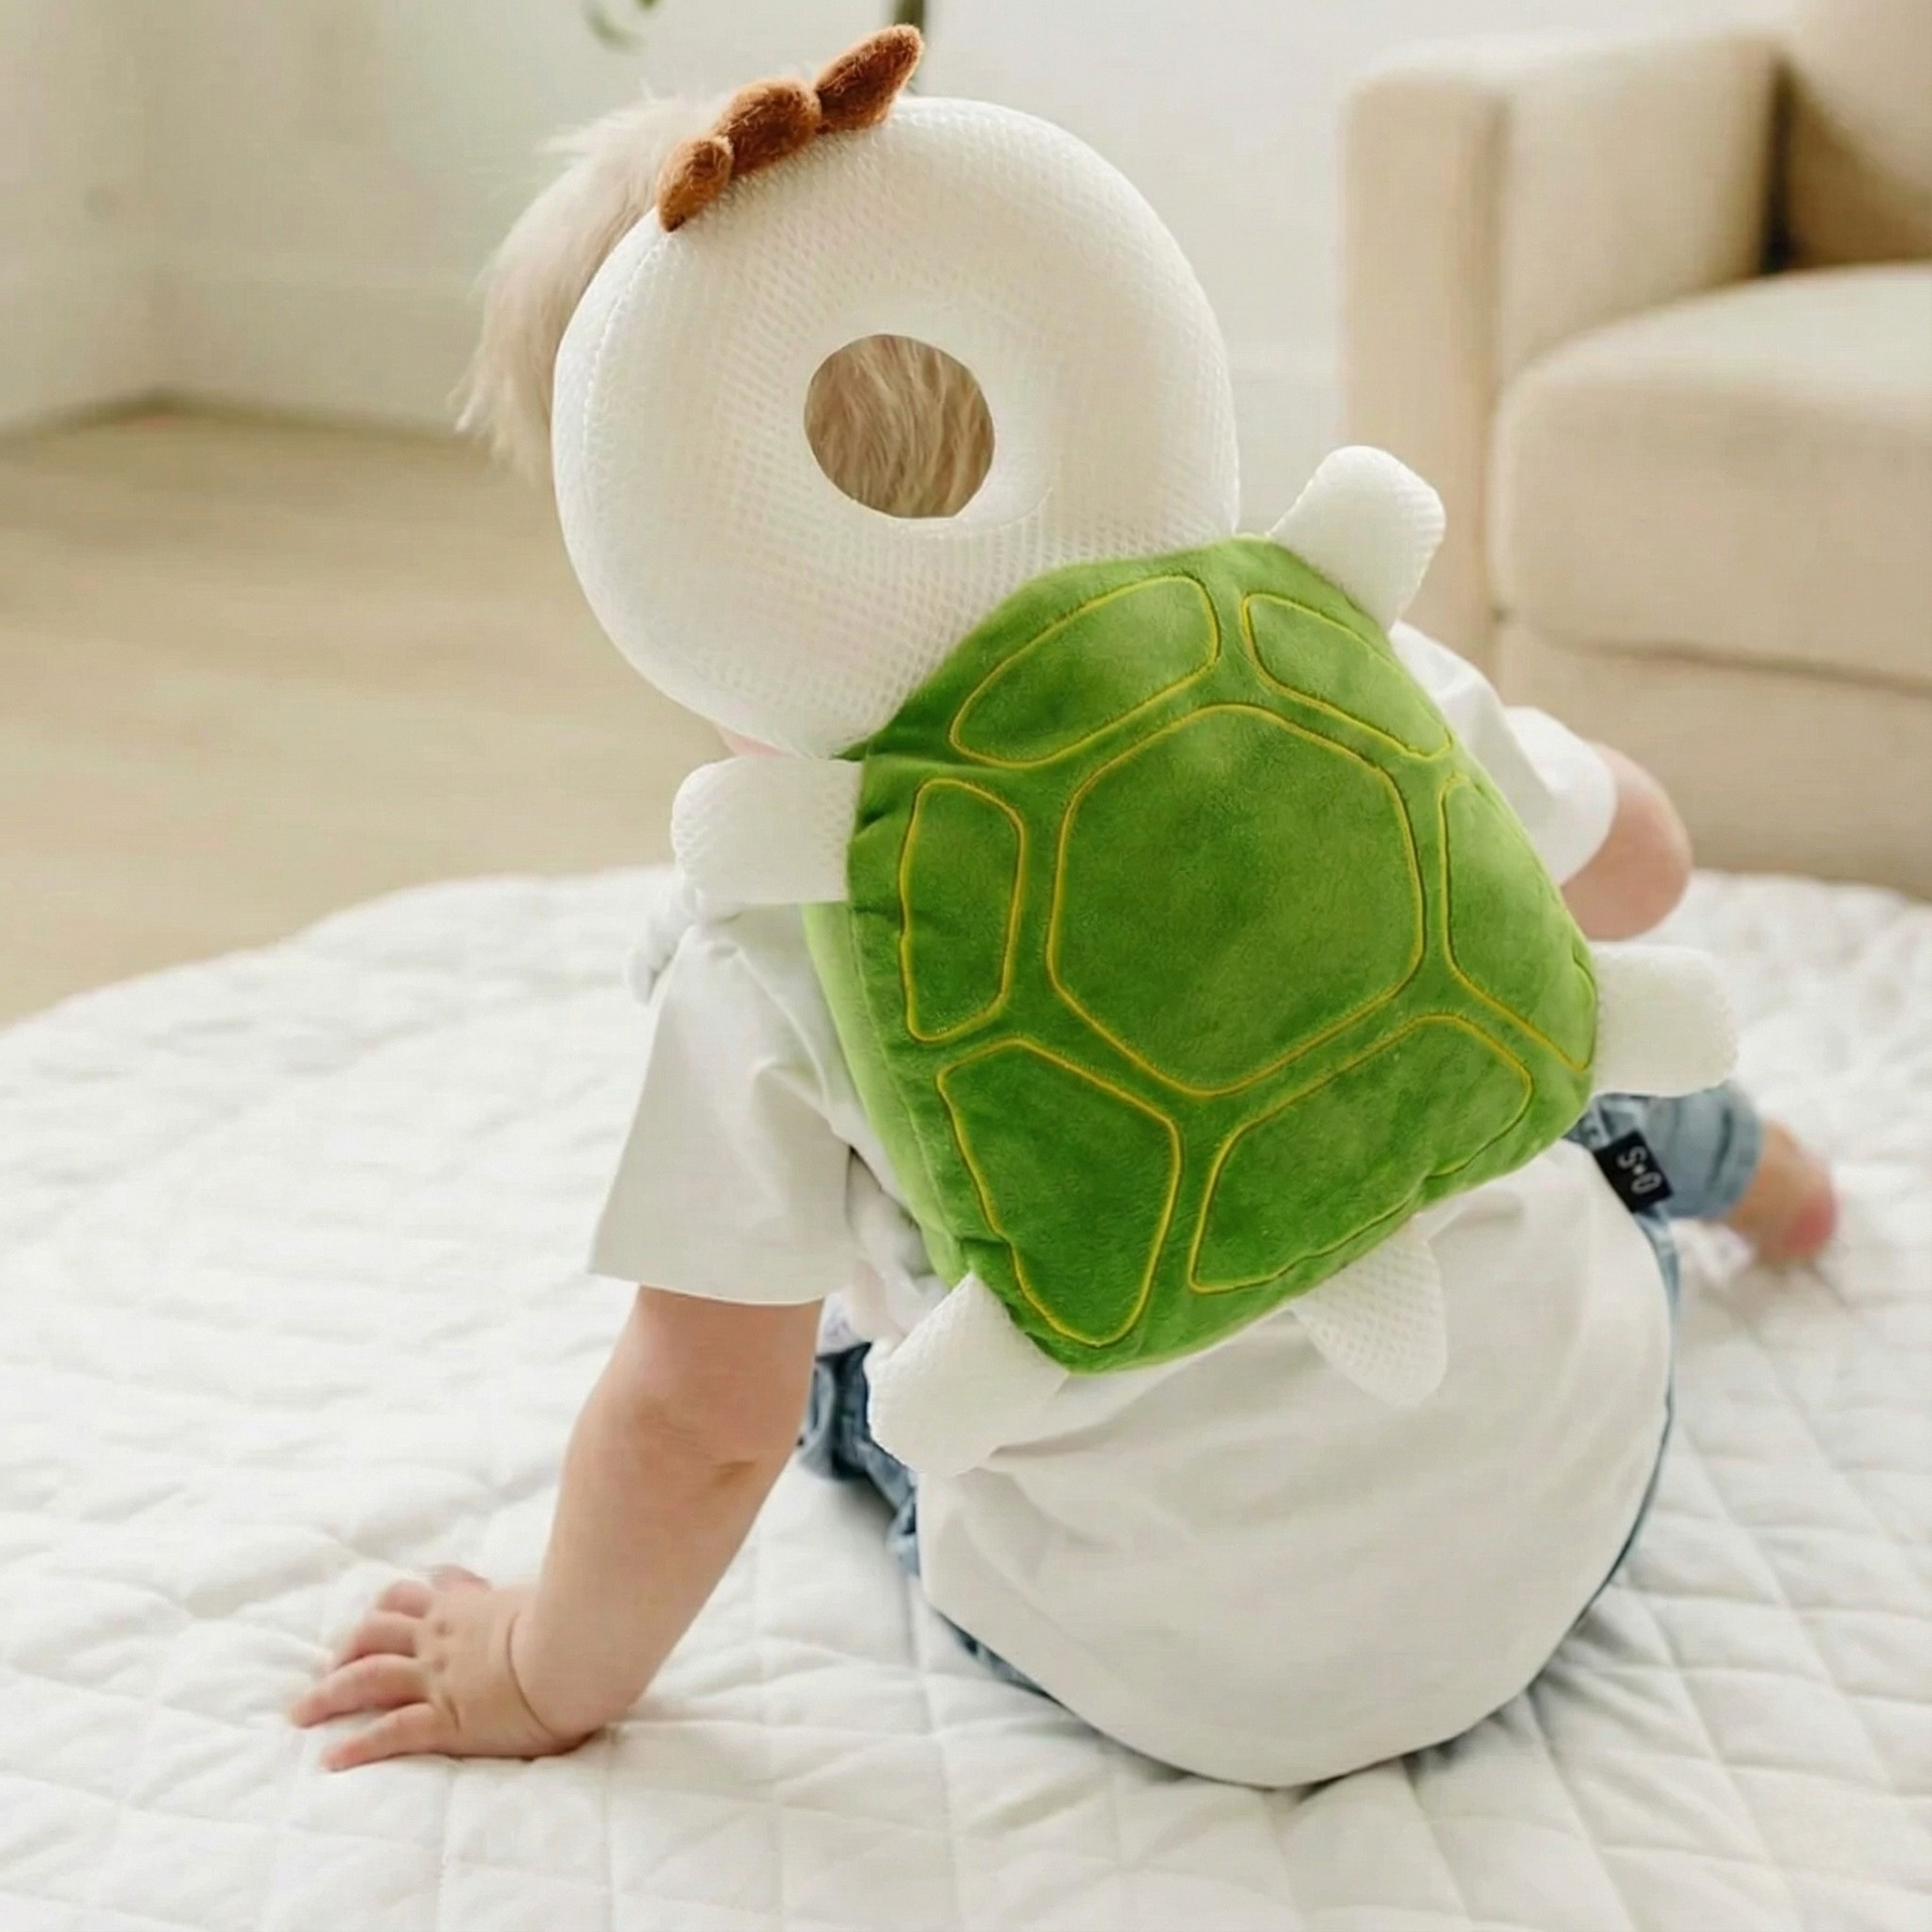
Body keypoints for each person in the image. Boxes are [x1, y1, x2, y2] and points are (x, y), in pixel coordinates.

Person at [291, 77, 1836, 1781]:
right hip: (1575, 1481)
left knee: (832, 1388)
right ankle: (1734, 1163)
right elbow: (1639, 876)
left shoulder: (766, 950)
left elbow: (693, 1420)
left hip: (1182, 1675)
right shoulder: (1335, 680)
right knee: (1552, 1067)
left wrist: (537, 1669)